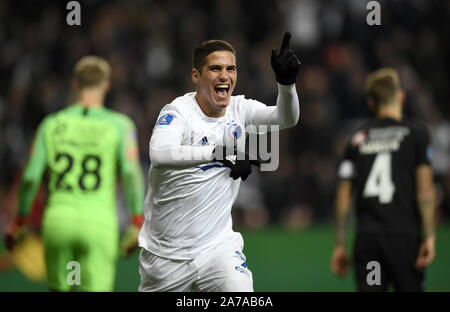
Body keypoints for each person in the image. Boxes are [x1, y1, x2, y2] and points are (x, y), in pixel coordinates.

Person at [138, 32, 301, 292]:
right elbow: (159, 154)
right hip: (165, 255)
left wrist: (286, 85)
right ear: (196, 76)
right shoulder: (177, 112)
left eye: (230, 68)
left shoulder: (240, 109)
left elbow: (286, 118)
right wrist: (218, 152)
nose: (225, 75)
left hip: (218, 249)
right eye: (215, 68)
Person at [5, 56, 145, 292]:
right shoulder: (120, 125)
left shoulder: (51, 124)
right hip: (98, 222)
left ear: (76, 84)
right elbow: (131, 173)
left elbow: (30, 176)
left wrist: (21, 218)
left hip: (58, 221)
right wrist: (137, 220)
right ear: (106, 85)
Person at [331, 68, 436, 291]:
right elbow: (425, 190)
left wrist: (340, 244)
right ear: (400, 95)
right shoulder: (416, 134)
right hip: (404, 240)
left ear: (371, 103)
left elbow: (343, 197)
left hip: (369, 242)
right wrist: (430, 236)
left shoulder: (358, 139)